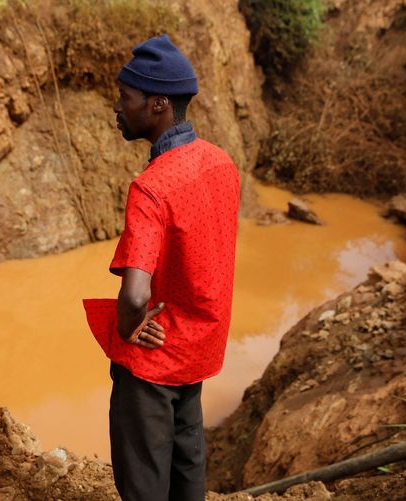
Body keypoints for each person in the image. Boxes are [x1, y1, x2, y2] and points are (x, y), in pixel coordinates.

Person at [86, 34, 240, 501]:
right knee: (187, 467)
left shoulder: (152, 187)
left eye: (124, 97)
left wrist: (130, 326)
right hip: (198, 348)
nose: (116, 107)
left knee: (144, 482)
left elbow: (134, 295)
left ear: (157, 105)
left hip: (154, 361)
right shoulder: (221, 163)